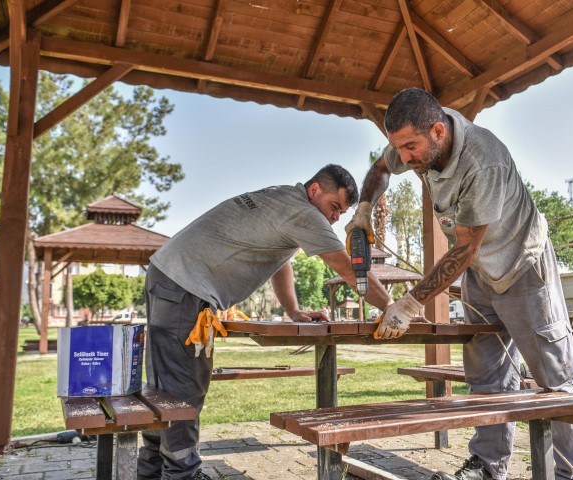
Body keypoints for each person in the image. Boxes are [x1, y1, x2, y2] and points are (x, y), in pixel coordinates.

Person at [347, 88, 573, 480]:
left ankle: (571, 474)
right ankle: (489, 467)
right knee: (486, 374)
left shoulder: (482, 161)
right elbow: (381, 169)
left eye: (410, 147)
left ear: (438, 131)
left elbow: (463, 250)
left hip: (522, 264)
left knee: (556, 378)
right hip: (479, 271)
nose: (405, 157)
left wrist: (408, 305)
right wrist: (363, 211)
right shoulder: (415, 143)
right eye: (399, 147)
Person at [138, 164, 393, 480]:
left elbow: (280, 261)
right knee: (181, 387)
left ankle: (150, 470)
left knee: (166, 386)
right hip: (183, 286)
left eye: (342, 212)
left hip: (173, 279)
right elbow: (349, 270)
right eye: (335, 207)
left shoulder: (282, 199)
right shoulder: (303, 212)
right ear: (315, 190)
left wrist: (294, 311)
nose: (336, 217)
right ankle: (181, 475)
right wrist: (393, 307)